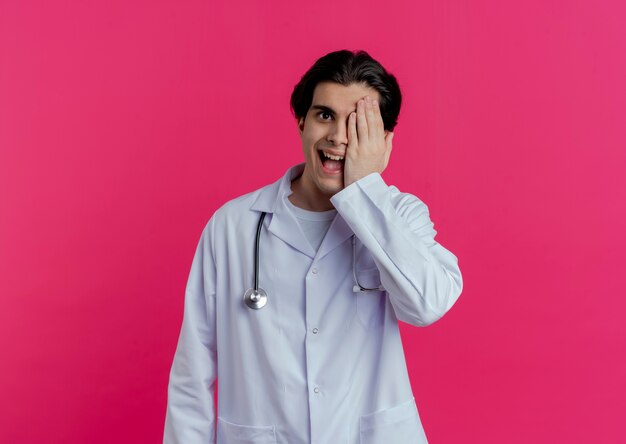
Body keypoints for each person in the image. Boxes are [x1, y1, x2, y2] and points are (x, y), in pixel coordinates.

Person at [163, 49, 463, 444]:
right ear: (302, 121)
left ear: (383, 140)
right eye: (325, 116)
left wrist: (365, 191)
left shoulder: (400, 216)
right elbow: (192, 372)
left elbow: (427, 305)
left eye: (358, 124)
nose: (338, 136)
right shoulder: (233, 226)